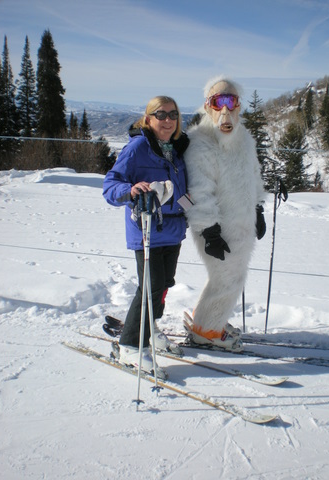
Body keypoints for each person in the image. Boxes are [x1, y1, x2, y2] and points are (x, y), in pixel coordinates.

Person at [103, 96, 189, 376]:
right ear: (148, 118)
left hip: (173, 230)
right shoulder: (139, 146)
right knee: (149, 288)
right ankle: (130, 345)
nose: (167, 120)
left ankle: (149, 330)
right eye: (160, 114)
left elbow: (182, 191)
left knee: (163, 284)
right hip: (147, 229)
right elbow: (111, 185)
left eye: (172, 114)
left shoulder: (177, 149)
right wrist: (131, 190)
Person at [183, 76, 266, 351]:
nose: (226, 111)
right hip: (218, 228)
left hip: (243, 223)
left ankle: (206, 320)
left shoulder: (244, 139)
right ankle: (207, 331)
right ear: (207, 106)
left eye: (232, 102)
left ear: (240, 106)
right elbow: (199, 191)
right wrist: (208, 230)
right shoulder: (200, 143)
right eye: (219, 102)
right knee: (230, 280)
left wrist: (258, 207)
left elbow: (253, 175)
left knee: (227, 278)